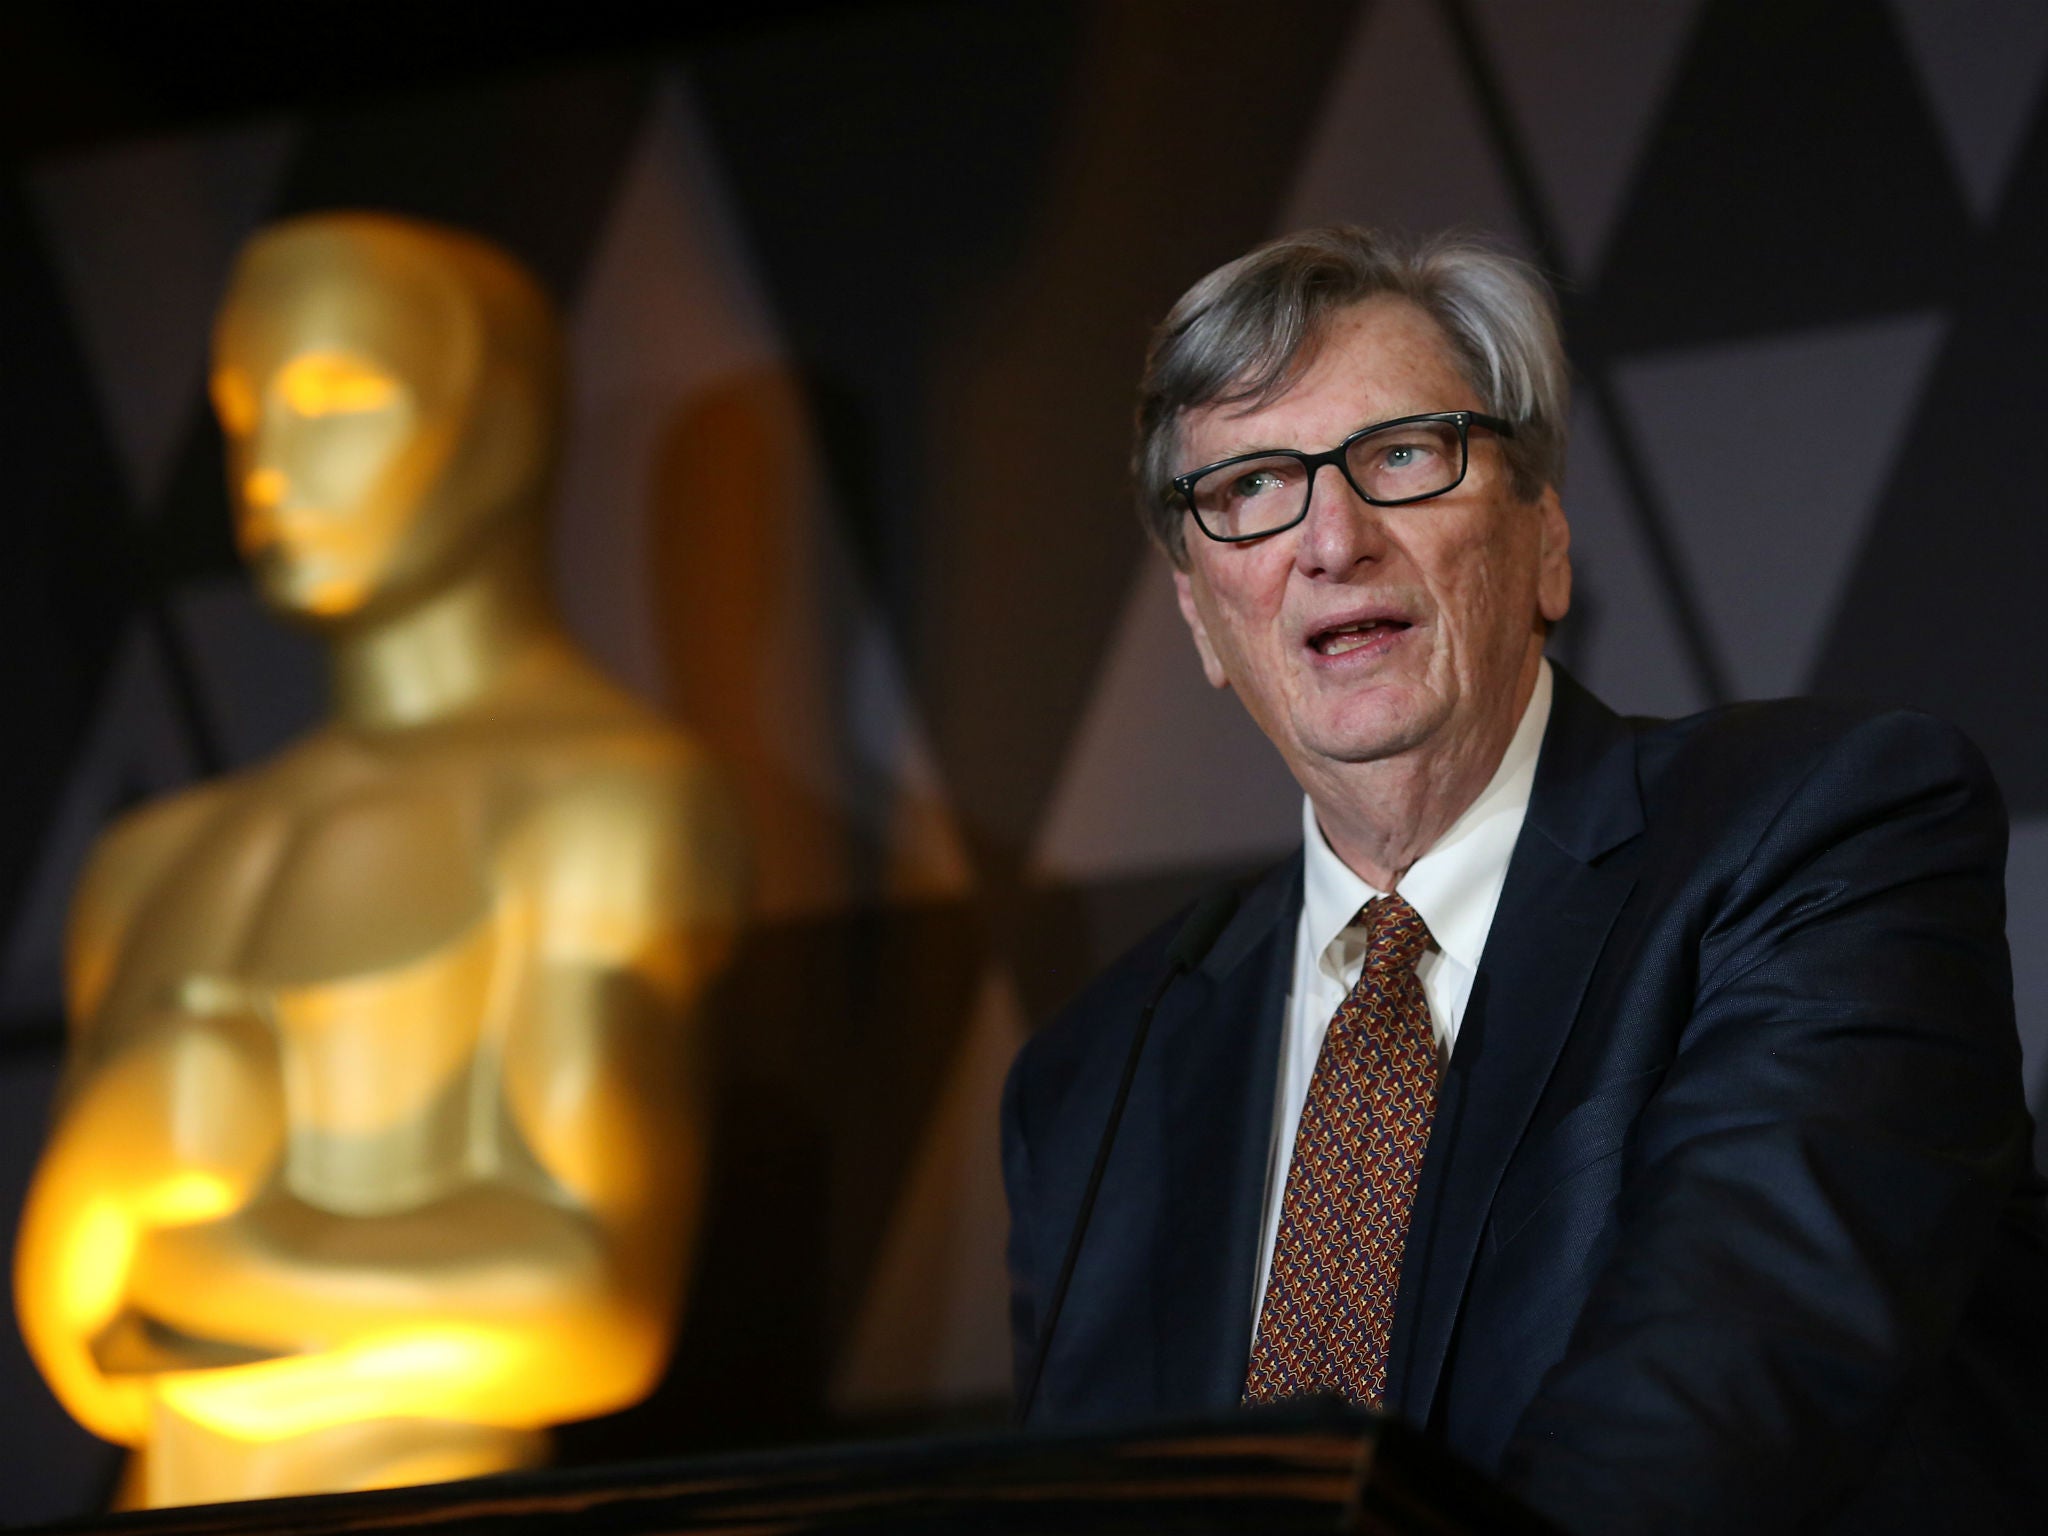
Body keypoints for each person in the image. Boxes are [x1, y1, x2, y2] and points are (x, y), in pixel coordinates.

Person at [1001, 225, 2048, 1534]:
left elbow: (1709, 1425)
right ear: (1204, 618)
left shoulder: (1825, 838)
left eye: (1399, 456)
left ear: (1546, 540)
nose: (1332, 539)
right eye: (1255, 486)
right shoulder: (1094, 1080)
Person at [14, 212, 747, 1507]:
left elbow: (594, 1300)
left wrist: (213, 1257)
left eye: (336, 398)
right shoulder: (151, 862)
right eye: (243, 413)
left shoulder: (599, 808)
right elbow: (85, 1346)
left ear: (498, 423)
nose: (266, 467)